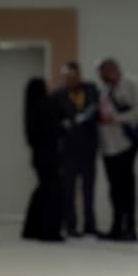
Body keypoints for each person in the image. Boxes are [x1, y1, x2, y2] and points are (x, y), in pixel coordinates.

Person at [96, 58, 138, 241]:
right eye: (101, 74)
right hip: (107, 146)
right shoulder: (103, 90)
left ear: (115, 70)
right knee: (114, 189)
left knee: (127, 188)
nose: (103, 77)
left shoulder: (129, 85)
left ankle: (130, 228)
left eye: (106, 73)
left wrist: (116, 118)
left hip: (125, 144)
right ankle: (116, 227)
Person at [54, 61, 101, 237]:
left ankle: (90, 224)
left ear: (79, 75)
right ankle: (70, 225)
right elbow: (55, 120)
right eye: (67, 77)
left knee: (89, 188)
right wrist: (62, 125)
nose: (70, 80)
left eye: (73, 77)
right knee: (68, 188)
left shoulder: (91, 89)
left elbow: (97, 110)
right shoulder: (58, 95)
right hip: (68, 148)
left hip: (88, 146)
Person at [22, 77, 65, 242]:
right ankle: (49, 231)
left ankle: (31, 228)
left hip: (39, 157)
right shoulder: (45, 106)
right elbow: (56, 115)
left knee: (43, 191)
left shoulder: (32, 107)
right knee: (52, 193)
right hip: (49, 156)